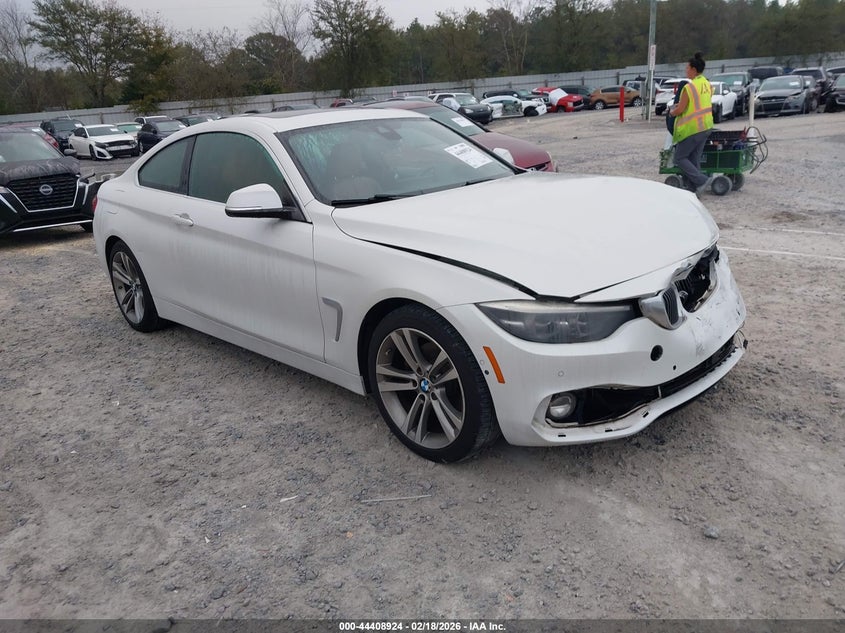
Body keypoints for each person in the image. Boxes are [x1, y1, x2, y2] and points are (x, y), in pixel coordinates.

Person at [669, 52, 714, 192]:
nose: (686, 71)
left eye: (687, 68)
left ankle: (702, 181)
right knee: (694, 159)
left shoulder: (689, 87)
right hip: (706, 126)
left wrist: (672, 111)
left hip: (692, 128)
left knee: (679, 158)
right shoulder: (707, 84)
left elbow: (680, 110)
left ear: (694, 69)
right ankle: (693, 188)